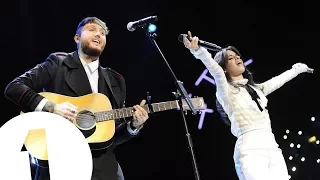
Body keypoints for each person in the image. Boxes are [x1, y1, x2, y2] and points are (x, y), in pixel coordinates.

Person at [4, 17, 149, 180]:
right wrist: (51, 107)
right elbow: (14, 87)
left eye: (102, 33)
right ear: (77, 38)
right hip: (61, 163)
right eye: (92, 30)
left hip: (104, 169)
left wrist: (132, 126)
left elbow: (110, 135)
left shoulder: (116, 80)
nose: (98, 35)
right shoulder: (58, 63)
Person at [182, 31, 314, 180]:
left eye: (237, 55)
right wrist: (198, 51)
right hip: (250, 149)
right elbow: (216, 72)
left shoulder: (256, 90)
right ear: (224, 67)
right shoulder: (226, 92)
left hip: (272, 147)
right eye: (230, 58)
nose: (238, 57)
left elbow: (277, 81)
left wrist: (297, 69)